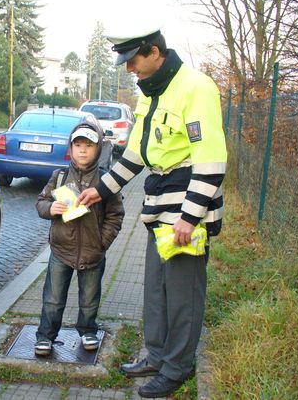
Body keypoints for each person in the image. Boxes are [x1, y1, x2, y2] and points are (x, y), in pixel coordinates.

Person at [77, 23, 227, 398]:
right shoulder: (150, 92)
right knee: (157, 289)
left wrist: (190, 217)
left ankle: (178, 366)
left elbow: (211, 160)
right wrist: (100, 190)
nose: (129, 68)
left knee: (183, 294)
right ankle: (157, 356)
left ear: (155, 53)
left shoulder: (196, 87)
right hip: (159, 206)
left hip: (185, 209)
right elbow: (135, 155)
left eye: (133, 60)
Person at [34, 117, 125, 356]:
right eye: (78, 145)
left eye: (89, 145)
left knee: (89, 298)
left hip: (93, 253)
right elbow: (41, 202)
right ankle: (45, 335)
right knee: (53, 299)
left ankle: (87, 330)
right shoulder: (60, 177)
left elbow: (116, 215)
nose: (83, 150)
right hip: (61, 251)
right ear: (71, 148)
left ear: (98, 149)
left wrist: (102, 243)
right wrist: (50, 209)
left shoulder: (107, 182)